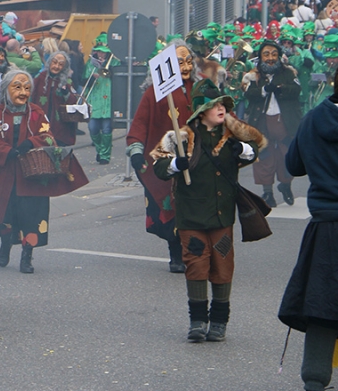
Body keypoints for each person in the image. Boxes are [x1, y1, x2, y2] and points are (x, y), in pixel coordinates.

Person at [151, 79, 263, 342]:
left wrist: (244, 149)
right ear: (202, 111)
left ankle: (220, 321)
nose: (222, 108)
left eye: (224, 104)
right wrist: (176, 164)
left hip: (222, 215)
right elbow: (158, 167)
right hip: (191, 216)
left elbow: (255, 148)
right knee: (196, 265)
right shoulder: (181, 136)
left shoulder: (233, 133)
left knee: (223, 266)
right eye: (216, 105)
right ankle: (198, 321)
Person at [0, 70, 87, 273]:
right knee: (6, 213)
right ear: (6, 90)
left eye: (27, 88)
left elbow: (48, 136)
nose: (23, 92)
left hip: (31, 175)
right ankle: (5, 244)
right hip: (5, 175)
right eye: (17, 87)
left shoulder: (36, 112)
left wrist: (31, 142)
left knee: (31, 215)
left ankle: (27, 257)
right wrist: (7, 151)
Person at [279, 69, 338, 391]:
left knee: (323, 305)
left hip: (326, 224)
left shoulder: (315, 118)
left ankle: (315, 380)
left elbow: (294, 165)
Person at [127, 39, 196, 273]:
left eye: (189, 61)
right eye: (179, 62)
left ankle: (194, 250)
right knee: (171, 207)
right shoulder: (154, 93)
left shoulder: (201, 88)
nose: (186, 67)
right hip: (166, 160)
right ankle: (176, 254)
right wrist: (136, 150)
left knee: (195, 205)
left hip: (197, 158)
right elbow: (139, 124)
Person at [242, 39, 302, 207]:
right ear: (260, 57)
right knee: (265, 156)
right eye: (266, 54)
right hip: (262, 121)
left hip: (284, 120)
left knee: (286, 154)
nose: (270, 58)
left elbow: (297, 90)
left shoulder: (289, 73)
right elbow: (248, 94)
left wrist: (280, 89)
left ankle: (285, 185)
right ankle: (268, 193)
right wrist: (263, 91)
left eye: (274, 54)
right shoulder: (253, 75)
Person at [84, 34, 121, 164]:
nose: (101, 54)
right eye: (99, 51)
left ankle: (105, 156)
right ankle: (100, 150)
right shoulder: (90, 62)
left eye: (104, 52)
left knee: (106, 129)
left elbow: (120, 79)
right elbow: (84, 81)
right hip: (95, 100)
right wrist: (91, 77)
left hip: (109, 101)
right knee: (92, 128)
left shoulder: (115, 62)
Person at [32, 51, 79, 146]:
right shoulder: (40, 78)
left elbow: (74, 101)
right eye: (54, 62)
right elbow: (31, 96)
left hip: (59, 124)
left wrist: (66, 93)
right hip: (40, 120)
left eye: (61, 64)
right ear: (49, 63)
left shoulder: (67, 81)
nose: (56, 66)